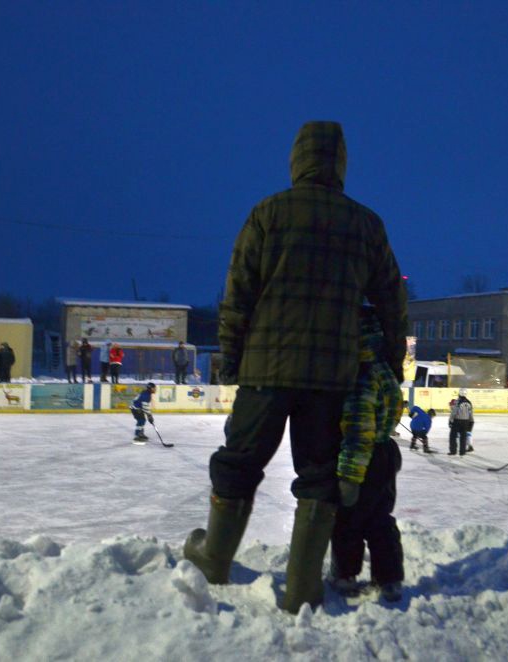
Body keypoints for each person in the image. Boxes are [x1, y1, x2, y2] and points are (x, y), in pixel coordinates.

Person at [183, 121, 408, 615]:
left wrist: (232, 362)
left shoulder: (267, 213)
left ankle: (214, 558)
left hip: (266, 371)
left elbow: (237, 295)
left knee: (239, 462)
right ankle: (301, 590)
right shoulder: (366, 224)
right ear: (341, 164)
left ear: (296, 160)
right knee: (319, 476)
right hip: (332, 378)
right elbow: (393, 302)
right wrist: (389, 367)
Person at [328, 307, 405, 602]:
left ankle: (345, 575)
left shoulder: (361, 377)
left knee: (349, 521)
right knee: (380, 519)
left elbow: (359, 433)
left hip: (365, 461)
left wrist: (349, 478)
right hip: (385, 453)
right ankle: (390, 578)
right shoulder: (384, 368)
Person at [448, 389, 474, 456]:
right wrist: (471, 421)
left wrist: (450, 420)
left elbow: (454, 412)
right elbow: (470, 413)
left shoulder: (458, 402)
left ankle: (453, 451)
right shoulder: (469, 402)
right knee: (463, 437)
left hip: (457, 421)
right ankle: (462, 452)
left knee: (452, 436)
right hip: (466, 421)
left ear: (459, 394)